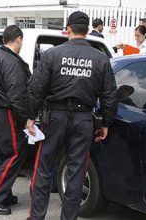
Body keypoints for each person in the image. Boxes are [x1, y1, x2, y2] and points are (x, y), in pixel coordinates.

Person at [27, 11, 117, 220]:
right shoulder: (101, 59)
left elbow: (35, 89)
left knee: (43, 168)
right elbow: (109, 95)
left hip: (55, 118)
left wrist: (31, 117)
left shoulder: (52, 55)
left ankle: (36, 216)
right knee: (77, 172)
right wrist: (105, 123)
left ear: (68, 29)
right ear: (87, 31)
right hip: (84, 120)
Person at [0, 25, 30, 215]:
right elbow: (17, 96)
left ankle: (4, 194)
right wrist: (26, 119)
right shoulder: (11, 62)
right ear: (18, 39)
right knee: (15, 153)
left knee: (1, 155)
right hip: (7, 113)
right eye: (21, 41)